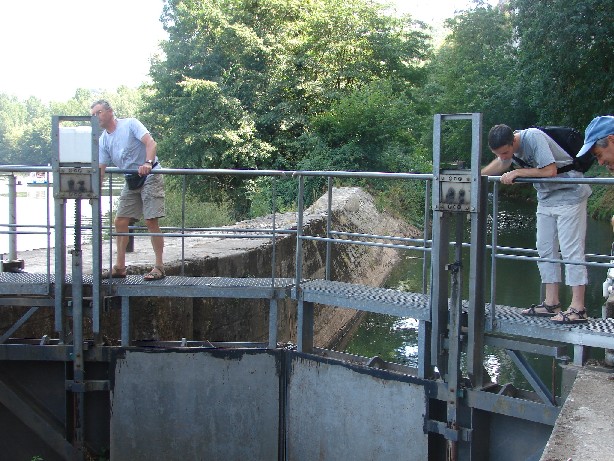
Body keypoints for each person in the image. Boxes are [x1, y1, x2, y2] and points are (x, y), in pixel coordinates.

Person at [482, 124, 591, 323]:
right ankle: (551, 303)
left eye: (505, 152)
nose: (504, 157)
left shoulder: (533, 137)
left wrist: (518, 173)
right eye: (499, 154)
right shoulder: (509, 151)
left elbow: (550, 170)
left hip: (570, 195)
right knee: (545, 249)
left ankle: (578, 308)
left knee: (571, 250)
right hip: (546, 198)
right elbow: (501, 163)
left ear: (513, 141)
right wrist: (476, 176)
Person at [91, 99, 166, 280]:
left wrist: (147, 163)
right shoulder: (103, 140)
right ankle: (120, 267)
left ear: (110, 111)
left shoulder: (130, 124)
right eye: (93, 115)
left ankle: (159, 267)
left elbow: (151, 143)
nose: (96, 117)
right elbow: (101, 168)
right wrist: (94, 191)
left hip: (150, 175)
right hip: (131, 178)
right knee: (120, 221)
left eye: (98, 112)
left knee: (151, 220)